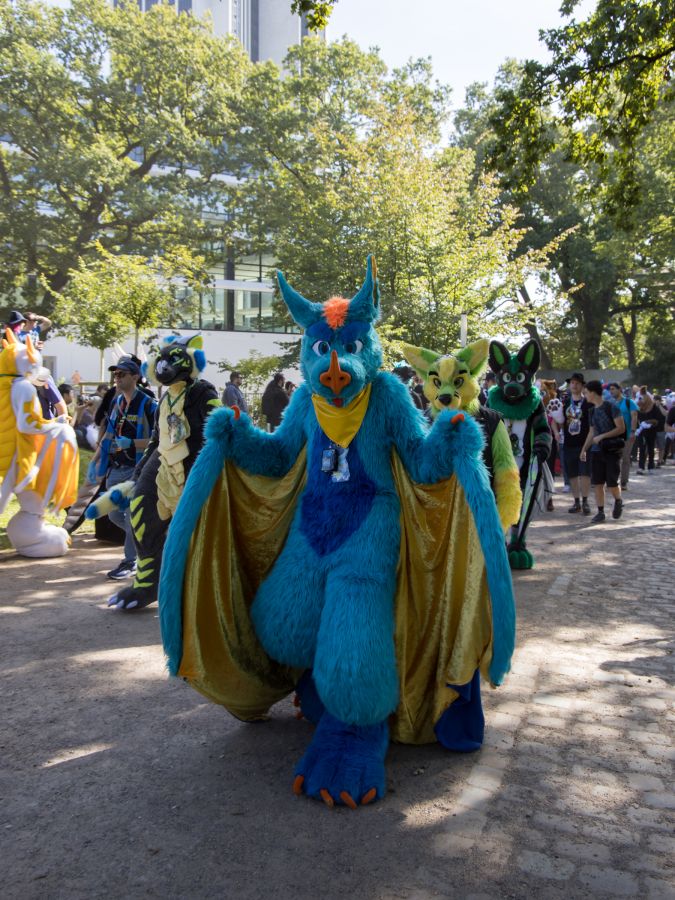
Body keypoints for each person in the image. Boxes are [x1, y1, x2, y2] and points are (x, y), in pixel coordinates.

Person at [92, 356, 157, 579]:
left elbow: (157, 440)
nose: (117, 379)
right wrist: (96, 459)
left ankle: (131, 561)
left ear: (136, 377)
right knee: (114, 515)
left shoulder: (149, 404)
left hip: (137, 468)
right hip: (116, 468)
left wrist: (132, 443)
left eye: (122, 374)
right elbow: (109, 433)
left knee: (131, 514)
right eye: (115, 375)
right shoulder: (117, 403)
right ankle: (149, 543)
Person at [580, 380, 625, 523]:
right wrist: (584, 449)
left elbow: (621, 428)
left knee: (612, 483)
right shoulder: (591, 411)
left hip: (612, 449)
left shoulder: (611, 407)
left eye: (586, 392)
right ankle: (600, 512)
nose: (584, 395)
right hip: (596, 451)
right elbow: (591, 432)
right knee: (598, 483)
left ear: (592, 393)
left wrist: (603, 436)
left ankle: (618, 501)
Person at [562, 373, 592, 515]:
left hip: (584, 444)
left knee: (585, 473)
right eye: (572, 383)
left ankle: (585, 501)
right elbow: (558, 421)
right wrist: (556, 432)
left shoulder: (588, 403)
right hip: (568, 443)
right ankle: (576, 502)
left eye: (577, 383)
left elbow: (592, 425)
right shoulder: (564, 402)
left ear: (582, 386)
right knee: (572, 474)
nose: (574, 385)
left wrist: (587, 445)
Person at [608, 383, 638, 489]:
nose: (611, 391)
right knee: (613, 458)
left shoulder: (629, 402)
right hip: (613, 435)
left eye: (613, 389)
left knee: (625, 458)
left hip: (627, 435)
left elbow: (634, 417)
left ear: (619, 389)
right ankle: (612, 480)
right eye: (610, 389)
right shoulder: (611, 403)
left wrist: (633, 431)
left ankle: (624, 482)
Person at [635, 388, 664, 475]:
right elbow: (636, 418)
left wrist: (651, 423)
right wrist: (638, 426)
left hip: (652, 431)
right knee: (642, 449)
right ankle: (641, 467)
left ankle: (651, 466)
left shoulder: (654, 407)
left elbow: (659, 419)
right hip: (642, 432)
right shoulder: (639, 408)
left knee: (651, 449)